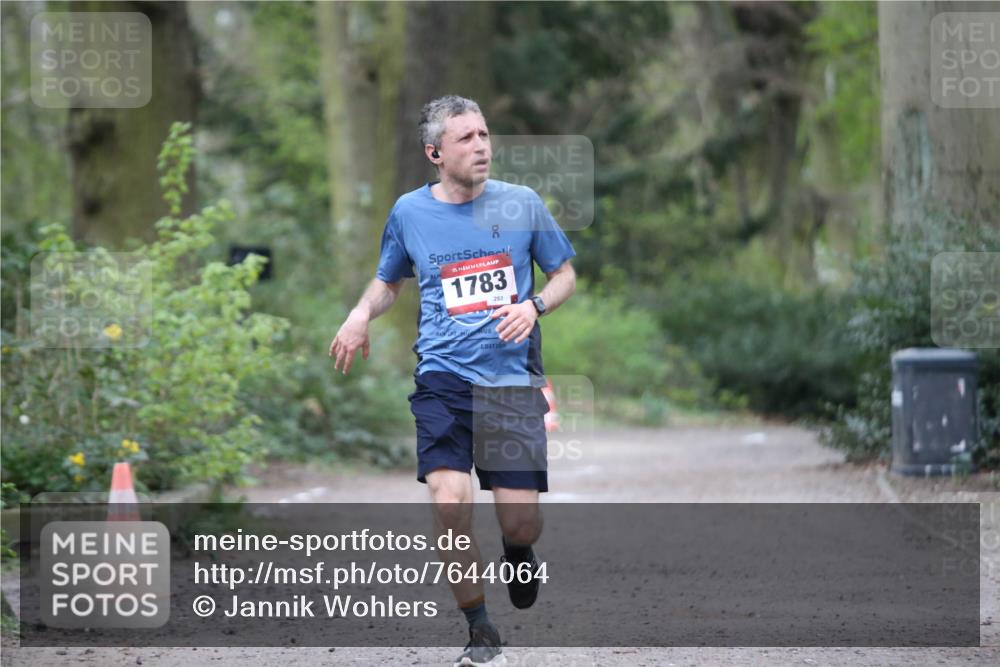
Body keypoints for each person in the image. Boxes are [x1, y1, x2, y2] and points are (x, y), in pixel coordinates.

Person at [328, 95, 576, 667]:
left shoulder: (522, 204)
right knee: (449, 501)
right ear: (435, 152)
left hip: (510, 380)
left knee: (522, 519)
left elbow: (564, 273)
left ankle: (518, 549)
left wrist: (535, 305)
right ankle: (479, 627)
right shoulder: (409, 213)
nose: (481, 146)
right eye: (466, 138)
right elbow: (388, 280)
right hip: (442, 378)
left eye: (485, 134)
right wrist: (361, 314)